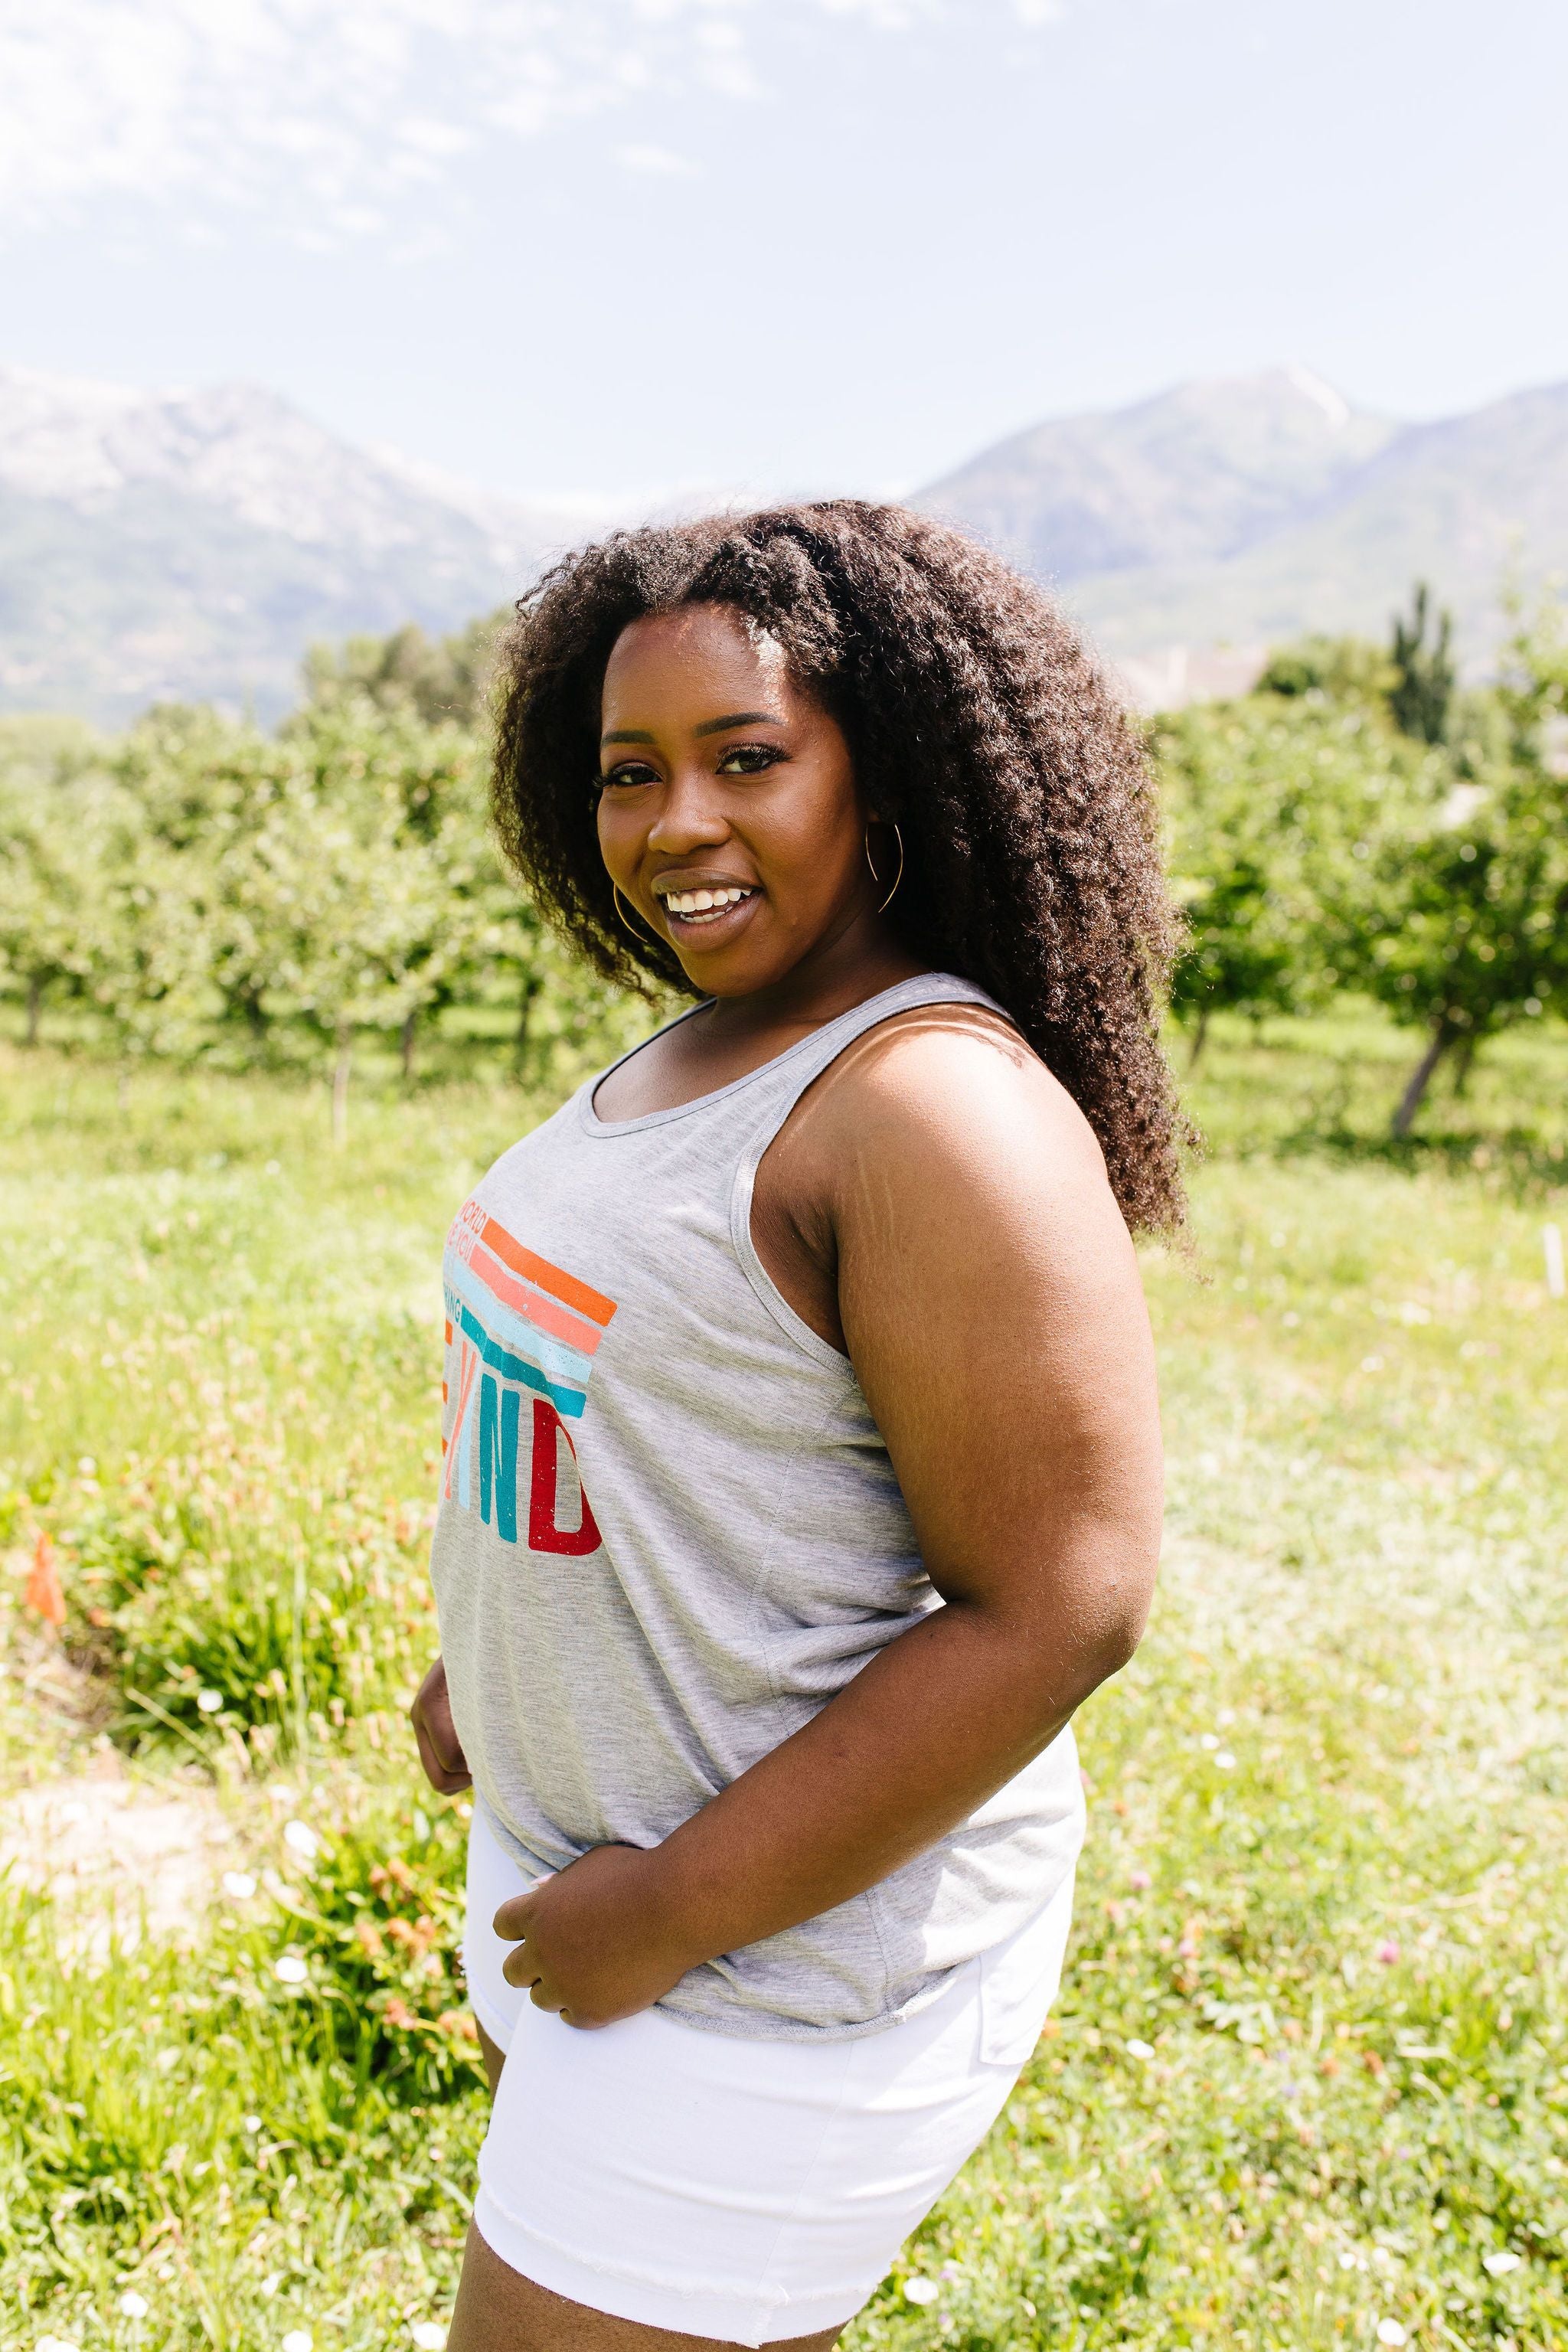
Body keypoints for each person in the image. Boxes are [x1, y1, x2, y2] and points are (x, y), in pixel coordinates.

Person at [409, 501, 1181, 2351]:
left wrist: (677, 1908)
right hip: (610, 1895)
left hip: (764, 1967)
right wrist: (492, 1666)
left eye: (746, 757)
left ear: (885, 772)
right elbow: (629, 1403)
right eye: (627, 771)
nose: (676, 822)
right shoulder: (709, 1041)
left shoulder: (927, 1111)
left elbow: (1062, 1604)